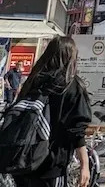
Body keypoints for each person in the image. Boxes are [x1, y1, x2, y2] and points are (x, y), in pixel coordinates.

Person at [10, 36, 91, 187]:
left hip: (23, 160)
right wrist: (84, 165)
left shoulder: (33, 80)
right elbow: (77, 130)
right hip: (51, 163)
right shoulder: (71, 86)